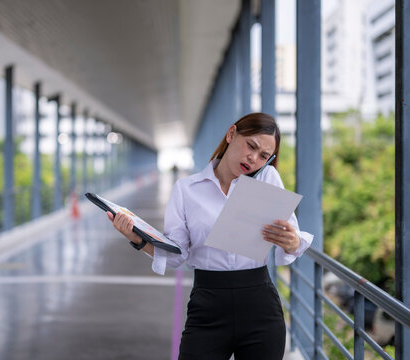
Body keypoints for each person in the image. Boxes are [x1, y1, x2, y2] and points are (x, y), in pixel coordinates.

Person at [106, 112, 313, 360]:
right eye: (251, 146)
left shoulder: (268, 180)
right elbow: (175, 255)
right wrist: (137, 238)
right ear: (231, 134)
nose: (253, 158)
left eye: (263, 156)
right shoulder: (187, 189)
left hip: (260, 305)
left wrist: (292, 242)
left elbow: (293, 238)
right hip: (208, 305)